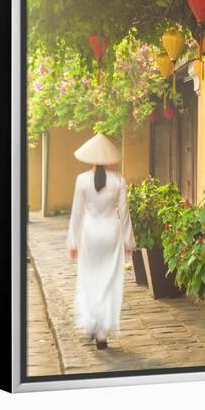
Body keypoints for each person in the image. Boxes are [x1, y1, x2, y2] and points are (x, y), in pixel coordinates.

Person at [66, 132, 136, 350]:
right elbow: (124, 215)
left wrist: (73, 241)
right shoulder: (119, 181)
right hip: (111, 234)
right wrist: (128, 242)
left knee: (89, 280)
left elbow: (77, 213)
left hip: (90, 233)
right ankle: (102, 334)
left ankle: (91, 324)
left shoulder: (81, 180)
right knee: (109, 282)